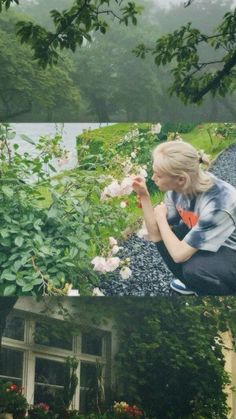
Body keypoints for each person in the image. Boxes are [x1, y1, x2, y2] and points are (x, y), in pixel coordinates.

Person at [132, 140, 236, 295]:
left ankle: (219, 295)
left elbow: (179, 255)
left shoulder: (219, 203)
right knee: (170, 234)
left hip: (231, 249)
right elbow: (155, 234)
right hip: (212, 240)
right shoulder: (176, 190)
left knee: (195, 270)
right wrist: (144, 196)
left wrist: (161, 218)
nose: (153, 178)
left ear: (181, 179)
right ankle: (196, 285)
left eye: (158, 175)